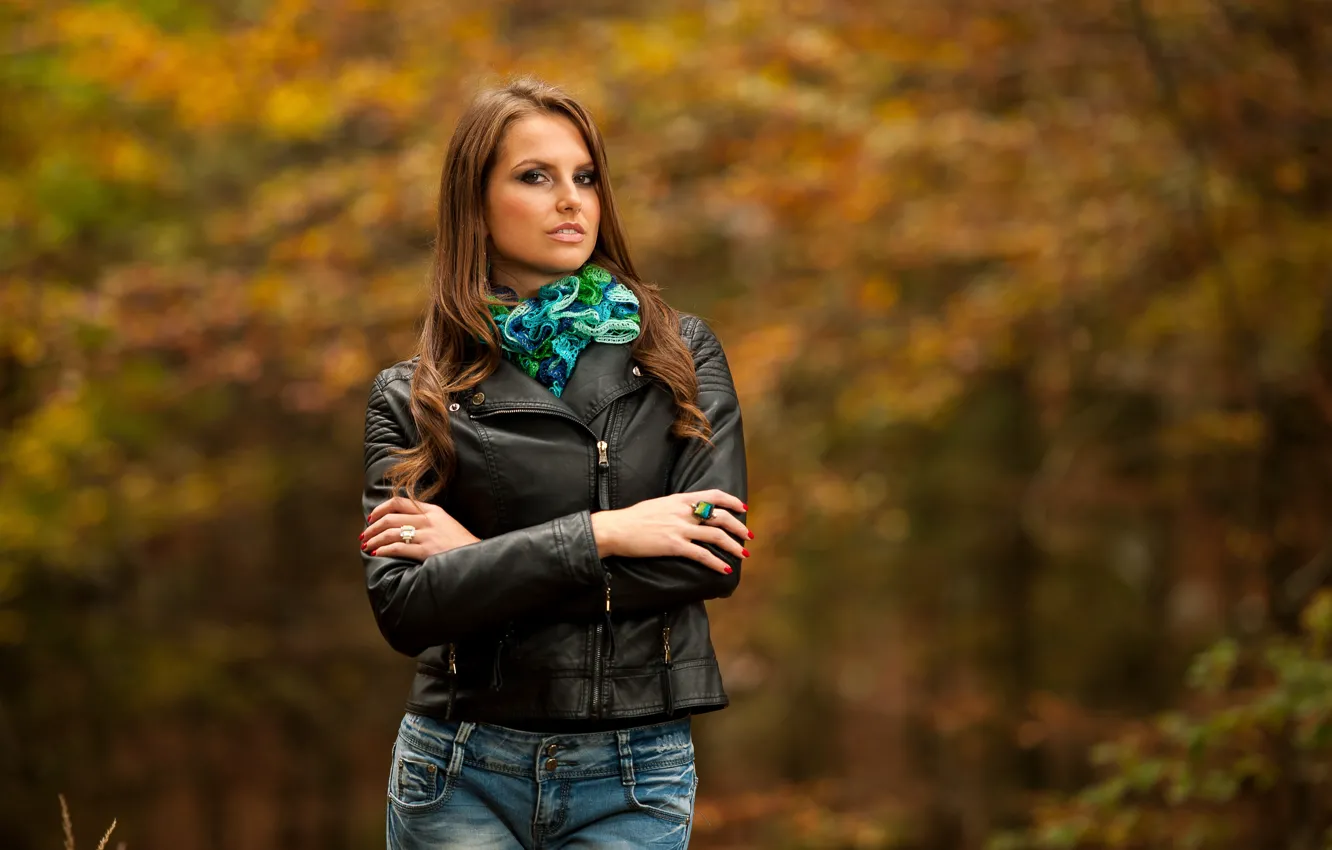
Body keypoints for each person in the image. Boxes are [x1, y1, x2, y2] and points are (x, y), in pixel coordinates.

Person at [358, 76, 751, 849]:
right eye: (535, 176)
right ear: (475, 201)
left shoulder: (677, 354)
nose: (571, 199)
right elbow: (406, 609)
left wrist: (478, 563)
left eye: (585, 176)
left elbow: (711, 555)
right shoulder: (414, 395)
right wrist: (607, 533)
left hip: (635, 772)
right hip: (460, 767)